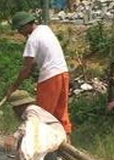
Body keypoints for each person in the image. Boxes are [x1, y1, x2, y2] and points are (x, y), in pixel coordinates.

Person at [8, 11, 72, 140]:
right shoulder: (45, 29)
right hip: (63, 73)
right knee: (60, 112)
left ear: (26, 25)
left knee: (42, 114)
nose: (19, 33)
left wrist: (13, 87)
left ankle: (39, 147)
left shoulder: (32, 40)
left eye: (20, 29)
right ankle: (64, 145)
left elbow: (26, 68)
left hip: (50, 77)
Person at [2, 90, 67, 160]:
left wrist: (14, 137)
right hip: (50, 134)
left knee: (28, 135)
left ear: (19, 106)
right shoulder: (31, 110)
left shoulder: (31, 110)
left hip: (54, 134)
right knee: (27, 135)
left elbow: (29, 125)